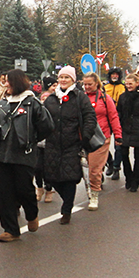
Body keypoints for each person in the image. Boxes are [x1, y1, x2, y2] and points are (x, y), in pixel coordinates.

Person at [0, 69, 54, 241]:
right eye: (3, 81)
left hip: (23, 155)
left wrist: (31, 140)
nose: (4, 84)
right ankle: (11, 230)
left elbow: (47, 127)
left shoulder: (33, 103)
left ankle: (32, 215)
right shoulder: (0, 105)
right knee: (3, 193)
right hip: (0, 155)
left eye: (7, 81)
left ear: (17, 82)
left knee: (25, 191)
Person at [43, 66, 97, 224]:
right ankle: (66, 201)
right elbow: (43, 119)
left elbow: (89, 118)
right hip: (52, 143)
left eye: (67, 77)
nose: (63, 80)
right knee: (51, 177)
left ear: (73, 79)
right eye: (61, 77)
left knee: (70, 177)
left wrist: (85, 137)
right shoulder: (51, 99)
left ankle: (66, 209)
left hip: (72, 143)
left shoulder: (80, 97)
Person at [83, 72, 122, 206]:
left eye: (90, 84)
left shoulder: (105, 98)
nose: (87, 87)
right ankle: (98, 176)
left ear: (97, 84)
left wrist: (118, 135)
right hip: (83, 137)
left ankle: (94, 195)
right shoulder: (80, 98)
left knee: (93, 169)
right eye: (85, 84)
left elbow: (113, 116)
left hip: (101, 137)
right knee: (88, 167)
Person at [116, 74, 139, 193]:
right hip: (125, 128)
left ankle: (136, 180)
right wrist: (118, 126)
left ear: (137, 83)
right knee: (124, 154)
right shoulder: (123, 97)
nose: (128, 86)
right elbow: (118, 112)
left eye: (131, 83)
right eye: (127, 83)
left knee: (137, 155)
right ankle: (128, 177)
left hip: (138, 129)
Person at [35, 75, 57, 203]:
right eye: (53, 85)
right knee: (37, 167)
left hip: (51, 140)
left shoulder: (58, 99)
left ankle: (49, 189)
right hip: (39, 140)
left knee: (49, 166)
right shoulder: (39, 101)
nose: (55, 88)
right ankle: (39, 188)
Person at [103, 67, 128, 181]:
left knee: (119, 145)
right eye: (112, 74)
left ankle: (117, 168)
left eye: (116, 74)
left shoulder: (123, 88)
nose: (114, 76)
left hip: (120, 118)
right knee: (101, 144)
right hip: (106, 119)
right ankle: (110, 162)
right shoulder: (105, 88)